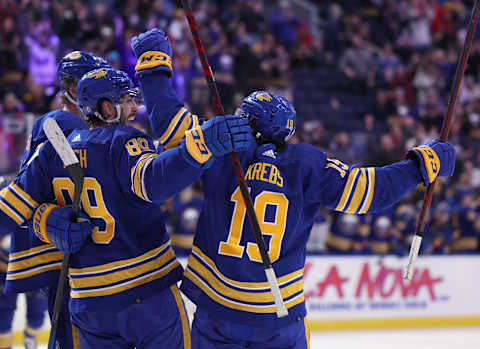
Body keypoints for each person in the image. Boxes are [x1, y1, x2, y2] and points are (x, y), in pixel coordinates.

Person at [128, 28, 456, 349]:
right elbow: (370, 191)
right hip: (279, 316)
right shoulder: (307, 162)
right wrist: (421, 165)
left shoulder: (222, 147)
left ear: (248, 122)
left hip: (218, 311)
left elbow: (171, 126)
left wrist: (154, 67)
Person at [0, 67, 250, 348]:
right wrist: (198, 148)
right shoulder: (125, 141)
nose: (134, 107)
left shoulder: (49, 152)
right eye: (127, 100)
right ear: (107, 108)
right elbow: (155, 182)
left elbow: (8, 211)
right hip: (146, 295)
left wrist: (41, 220)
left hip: (89, 303)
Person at [3, 51, 111, 349]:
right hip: (67, 254)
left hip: (66, 251)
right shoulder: (63, 125)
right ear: (76, 90)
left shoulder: (55, 123)